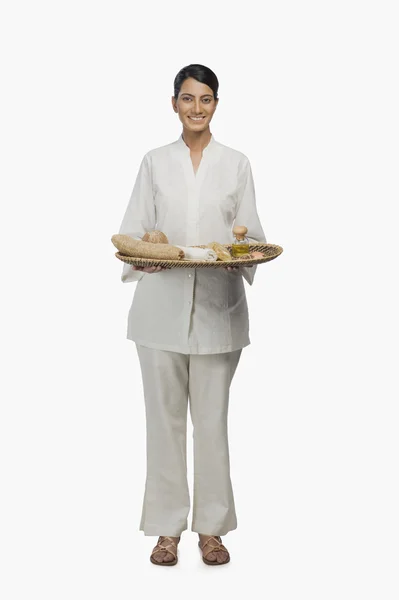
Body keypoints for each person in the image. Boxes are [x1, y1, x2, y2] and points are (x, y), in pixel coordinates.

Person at [117, 64, 267, 566]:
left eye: (205, 99)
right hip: (158, 314)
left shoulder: (237, 163)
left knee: (212, 422)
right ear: (174, 103)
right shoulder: (155, 162)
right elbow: (135, 229)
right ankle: (165, 531)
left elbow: (250, 236)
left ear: (216, 105)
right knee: (163, 424)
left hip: (218, 313)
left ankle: (212, 530)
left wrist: (238, 252)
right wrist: (143, 255)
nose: (196, 108)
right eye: (187, 98)